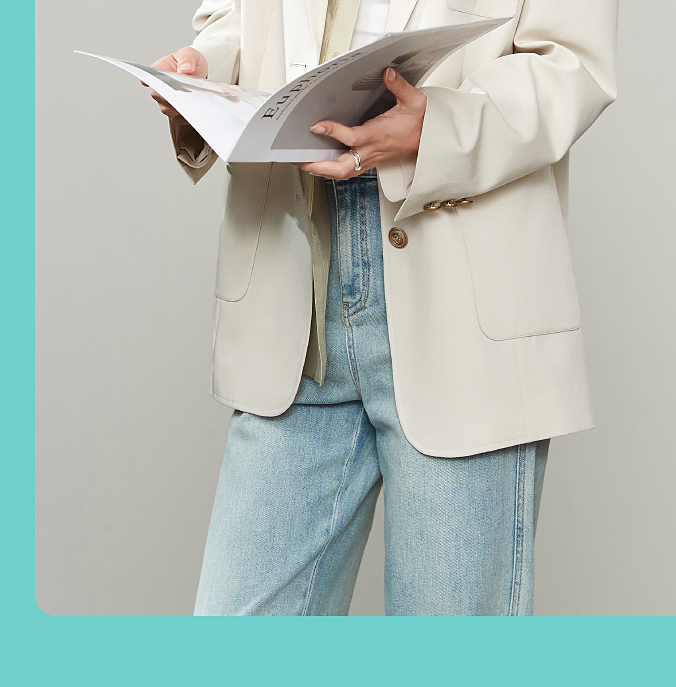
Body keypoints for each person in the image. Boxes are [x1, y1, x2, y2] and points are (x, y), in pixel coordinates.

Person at [149, 0, 618, 616]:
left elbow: (571, 64)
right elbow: (240, 20)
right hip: (295, 286)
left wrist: (439, 128)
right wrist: (201, 71)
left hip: (460, 284)